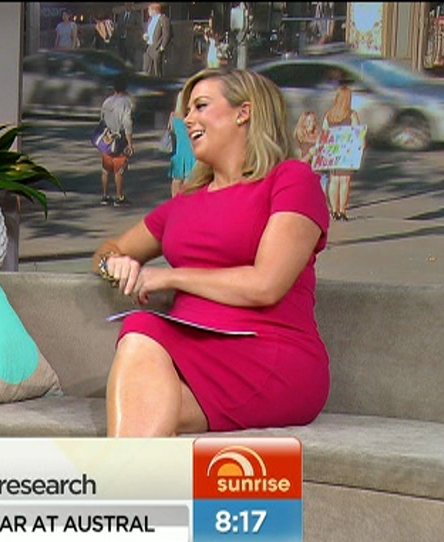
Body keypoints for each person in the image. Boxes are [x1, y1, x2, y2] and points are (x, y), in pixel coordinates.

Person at [93, 68, 330, 437]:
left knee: (142, 329)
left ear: (243, 112)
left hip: (271, 354)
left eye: (200, 106)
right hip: (193, 357)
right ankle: (127, 474)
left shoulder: (292, 179)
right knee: (146, 420)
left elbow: (266, 285)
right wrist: (116, 265)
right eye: (187, 110)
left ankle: (117, 473)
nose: (188, 119)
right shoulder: (184, 203)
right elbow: (107, 251)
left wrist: (168, 276)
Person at [321, 83, 360, 221]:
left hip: (333, 151)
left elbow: (324, 132)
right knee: (345, 181)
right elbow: (357, 133)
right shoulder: (351, 114)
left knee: (334, 180)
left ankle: (334, 210)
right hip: (346, 151)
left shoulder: (329, 115)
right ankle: (342, 210)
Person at [98, 75, 134, 206]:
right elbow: (127, 123)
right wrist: (130, 143)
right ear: (125, 88)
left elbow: (101, 119)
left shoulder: (107, 102)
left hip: (107, 137)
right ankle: (119, 197)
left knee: (106, 169)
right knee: (119, 170)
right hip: (120, 137)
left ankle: (105, 195)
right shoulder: (126, 103)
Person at [167, 92, 196, 196]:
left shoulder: (173, 116)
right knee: (189, 180)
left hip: (179, 151)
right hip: (191, 151)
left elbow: (172, 131)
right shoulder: (190, 117)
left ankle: (175, 199)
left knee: (176, 179)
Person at [142, 3, 171, 77]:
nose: (148, 12)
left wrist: (162, 47)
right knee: (146, 68)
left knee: (157, 70)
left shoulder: (163, 19)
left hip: (157, 47)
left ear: (154, 10)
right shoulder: (150, 20)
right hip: (148, 47)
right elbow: (149, 31)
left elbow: (166, 34)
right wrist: (145, 36)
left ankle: (159, 82)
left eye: (149, 10)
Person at [116, 2, 143, 69]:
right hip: (121, 41)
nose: (128, 6)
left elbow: (140, 27)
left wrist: (132, 27)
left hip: (131, 42)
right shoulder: (121, 15)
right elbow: (118, 27)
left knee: (130, 61)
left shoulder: (136, 15)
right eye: (127, 5)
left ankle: (130, 73)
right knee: (121, 60)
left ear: (132, 6)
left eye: (130, 5)